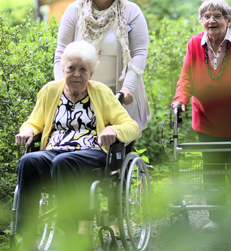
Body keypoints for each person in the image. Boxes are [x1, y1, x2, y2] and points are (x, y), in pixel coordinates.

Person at [15, 41, 139, 250]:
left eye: (83, 69)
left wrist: (113, 130)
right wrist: (28, 131)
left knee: (64, 161)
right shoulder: (49, 91)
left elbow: (131, 126)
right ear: (63, 69)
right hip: (54, 152)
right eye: (71, 68)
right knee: (28, 160)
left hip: (92, 154)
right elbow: (33, 122)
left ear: (91, 73)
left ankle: (73, 233)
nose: (76, 74)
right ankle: (26, 235)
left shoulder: (101, 93)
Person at [171, 0, 231, 232]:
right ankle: (217, 217)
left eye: (217, 16)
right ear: (201, 21)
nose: (211, 20)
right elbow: (186, 78)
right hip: (207, 121)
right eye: (206, 16)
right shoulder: (195, 44)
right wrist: (180, 100)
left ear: (229, 19)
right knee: (212, 170)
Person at [54, 0, 150, 138]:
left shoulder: (131, 11)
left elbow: (138, 54)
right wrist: (63, 87)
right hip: (81, 94)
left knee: (115, 149)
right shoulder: (74, 11)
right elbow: (61, 53)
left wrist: (127, 89)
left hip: (119, 95)